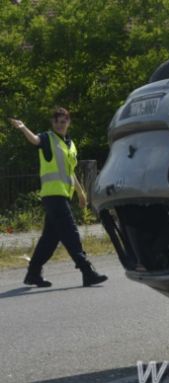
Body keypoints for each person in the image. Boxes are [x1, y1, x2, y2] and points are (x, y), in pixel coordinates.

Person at [9, 108, 108, 288]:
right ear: (52, 123)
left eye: (63, 121)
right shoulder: (48, 139)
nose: (60, 125)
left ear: (68, 123)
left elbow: (70, 172)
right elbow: (35, 140)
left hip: (62, 195)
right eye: (56, 122)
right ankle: (87, 271)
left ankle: (33, 273)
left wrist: (80, 192)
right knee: (71, 233)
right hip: (53, 196)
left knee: (49, 239)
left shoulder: (70, 144)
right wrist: (23, 127)